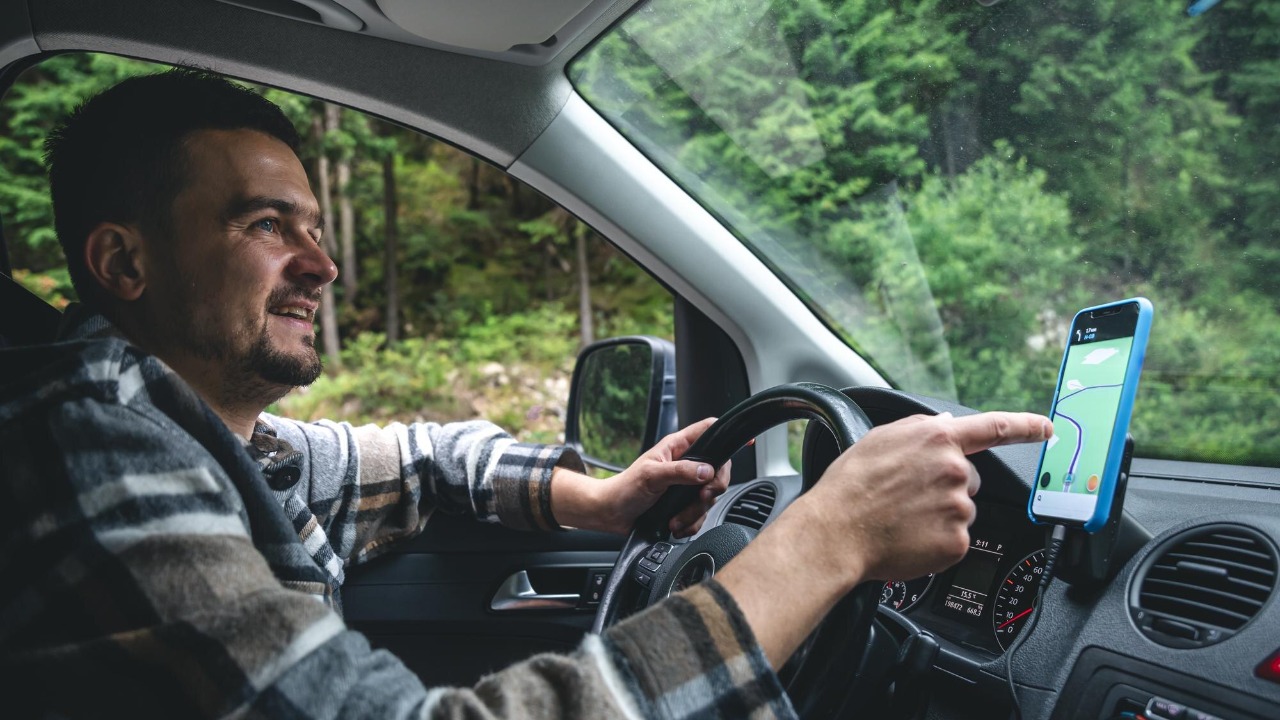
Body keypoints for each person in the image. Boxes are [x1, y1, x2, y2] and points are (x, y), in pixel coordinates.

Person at [0, 69, 1053, 718]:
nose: (320, 265)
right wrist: (824, 543)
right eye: (265, 225)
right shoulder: (90, 450)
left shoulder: (232, 449)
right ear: (122, 263)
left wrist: (590, 501)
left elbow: (417, 459)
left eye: (316, 228)